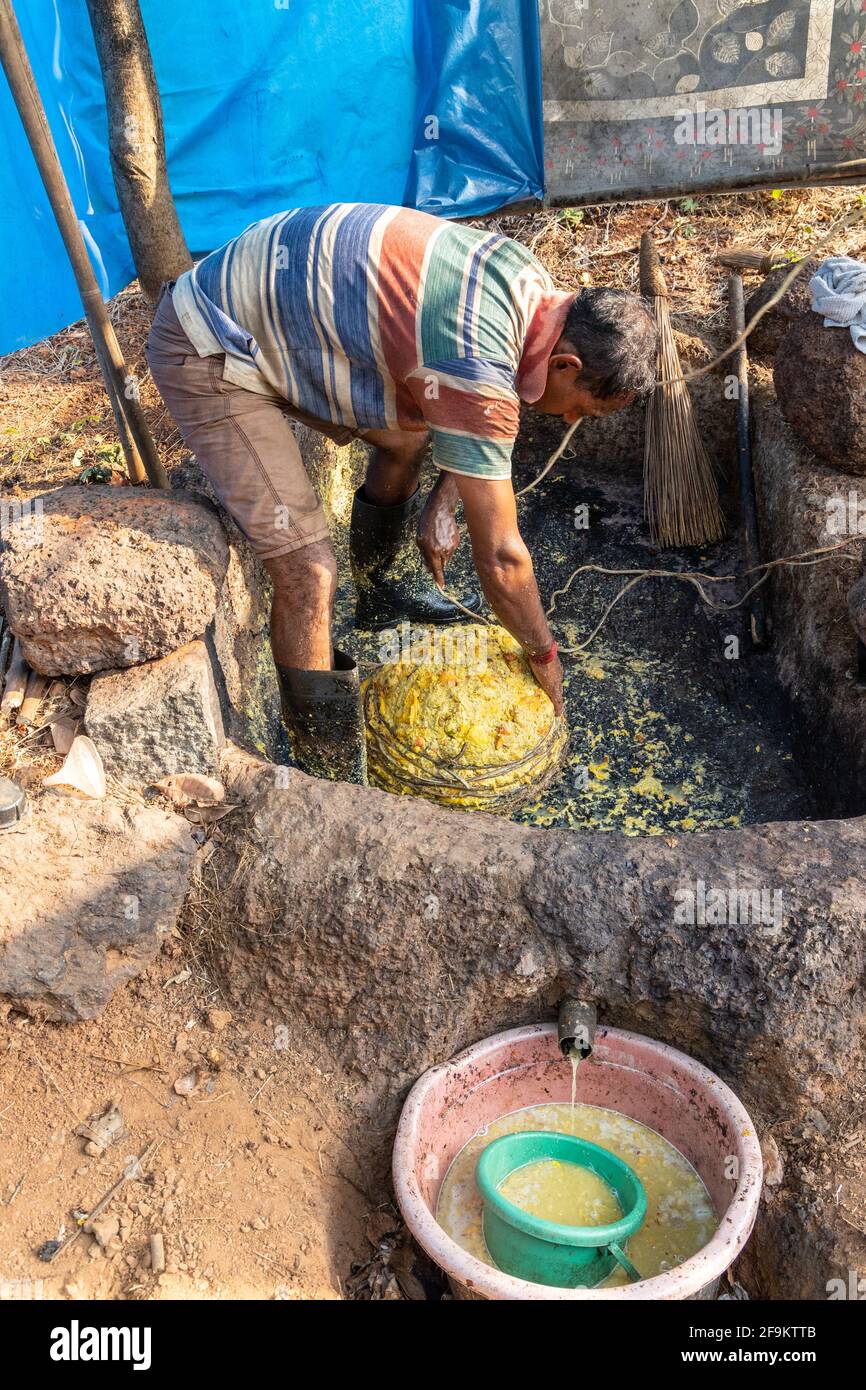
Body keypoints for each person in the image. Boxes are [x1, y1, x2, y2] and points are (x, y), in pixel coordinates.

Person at [147, 203, 657, 782]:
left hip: (283, 318)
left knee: (408, 442)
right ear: (566, 363)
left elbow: (457, 412)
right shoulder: (479, 365)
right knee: (307, 570)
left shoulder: (529, 284)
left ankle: (380, 595)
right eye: (581, 410)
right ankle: (328, 774)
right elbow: (502, 558)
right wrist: (543, 652)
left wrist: (445, 499)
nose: (569, 423)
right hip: (212, 348)